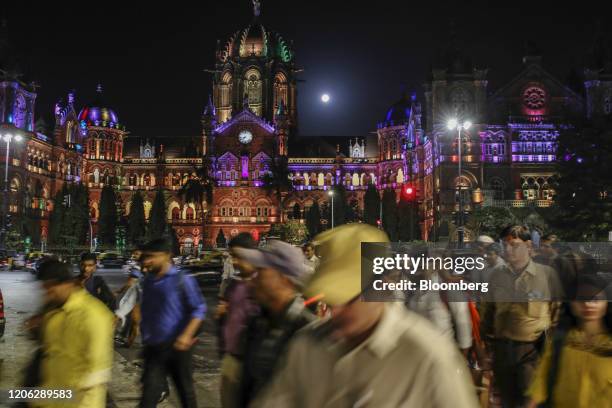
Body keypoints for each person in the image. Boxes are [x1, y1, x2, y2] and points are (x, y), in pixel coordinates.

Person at [252, 224, 479, 408]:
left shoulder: (428, 357)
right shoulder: (307, 346)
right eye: (331, 299)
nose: (336, 311)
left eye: (348, 298)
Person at [482, 225, 563, 408]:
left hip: (532, 350)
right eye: (505, 245)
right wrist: (488, 350)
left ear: (528, 245)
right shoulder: (496, 276)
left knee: (530, 401)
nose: (509, 250)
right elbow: (488, 312)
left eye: (514, 245)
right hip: (503, 349)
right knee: (506, 400)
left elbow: (557, 313)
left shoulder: (546, 275)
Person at [233, 240, 316, 405]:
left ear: (284, 278)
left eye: (261, 271)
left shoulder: (308, 332)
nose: (253, 279)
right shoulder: (258, 324)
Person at [34, 259, 114, 407]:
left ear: (66, 284)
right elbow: (48, 354)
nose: (47, 294)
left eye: (50, 288)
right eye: (44, 289)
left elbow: (97, 373)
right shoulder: (53, 312)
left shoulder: (94, 315)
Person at [526, 274, 612, 407]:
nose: (588, 304)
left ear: (607, 304)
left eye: (596, 299)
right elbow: (543, 376)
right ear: (571, 305)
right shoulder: (560, 340)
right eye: (581, 299)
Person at [139, 238, 206, 408]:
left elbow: (198, 309)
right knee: (148, 396)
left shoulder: (182, 280)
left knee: (185, 393)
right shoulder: (148, 281)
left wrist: (186, 335)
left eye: (152, 256)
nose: (147, 261)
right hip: (154, 348)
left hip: (177, 347)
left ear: (167, 256)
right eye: (146, 257)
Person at [215, 232, 261, 408]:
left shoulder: (263, 285)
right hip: (231, 360)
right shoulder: (234, 285)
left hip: (253, 366)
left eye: (238, 256)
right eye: (233, 256)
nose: (234, 262)